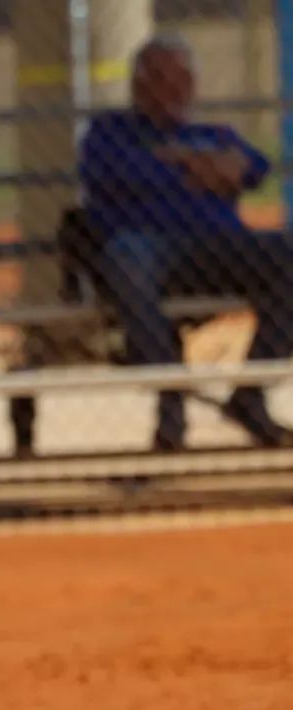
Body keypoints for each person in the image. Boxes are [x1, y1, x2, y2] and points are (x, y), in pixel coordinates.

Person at [78, 34, 293, 451]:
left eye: (182, 80)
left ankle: (251, 394)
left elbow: (254, 168)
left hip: (218, 247)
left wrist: (187, 161)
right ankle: (170, 397)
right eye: (160, 79)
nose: (173, 90)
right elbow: (121, 176)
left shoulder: (212, 131)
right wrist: (203, 170)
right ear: (138, 86)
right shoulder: (110, 131)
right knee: (126, 257)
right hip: (150, 248)